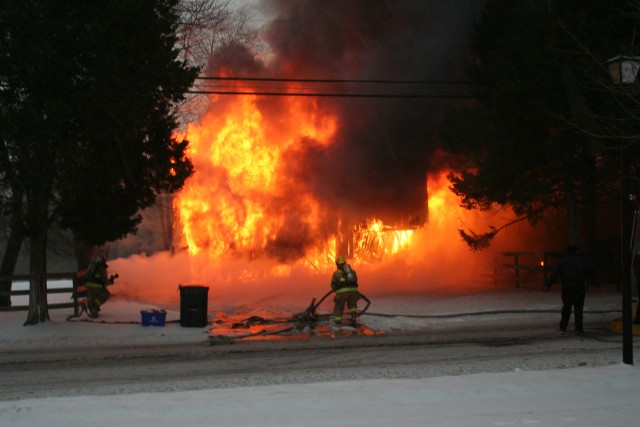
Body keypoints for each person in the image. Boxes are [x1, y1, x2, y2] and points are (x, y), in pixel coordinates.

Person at [544, 244, 597, 335]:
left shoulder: (562, 262)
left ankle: (563, 325)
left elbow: (555, 275)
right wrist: (595, 282)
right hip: (579, 287)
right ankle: (578, 328)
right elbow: (591, 272)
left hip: (567, 287)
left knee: (566, 307)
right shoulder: (583, 261)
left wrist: (548, 285)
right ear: (577, 251)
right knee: (578, 309)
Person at [330, 256, 360, 325]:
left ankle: (337, 321)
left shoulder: (336, 273)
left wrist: (335, 290)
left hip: (342, 293)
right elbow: (355, 281)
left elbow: (333, 284)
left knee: (339, 306)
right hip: (353, 292)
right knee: (352, 305)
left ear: (338, 264)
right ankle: (353, 317)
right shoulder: (352, 272)